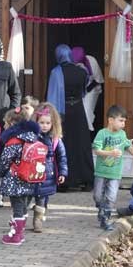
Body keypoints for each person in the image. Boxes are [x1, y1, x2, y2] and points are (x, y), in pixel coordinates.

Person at [47, 44, 93, 190]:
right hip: (79, 110)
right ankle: (86, 180)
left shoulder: (56, 72)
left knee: (64, 145)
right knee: (81, 144)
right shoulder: (81, 71)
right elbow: (84, 90)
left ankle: (64, 182)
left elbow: (52, 96)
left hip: (63, 113)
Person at [0, 107, 43, 245]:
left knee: (17, 205)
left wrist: (0, 172)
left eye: (5, 123)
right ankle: (19, 232)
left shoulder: (14, 141)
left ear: (11, 123)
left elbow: (5, 159)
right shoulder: (33, 138)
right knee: (23, 205)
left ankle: (16, 236)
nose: (4, 126)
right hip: (29, 177)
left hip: (15, 179)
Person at [92, 106, 133, 231]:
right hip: (101, 171)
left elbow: (128, 146)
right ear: (111, 120)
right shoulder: (102, 133)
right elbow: (96, 150)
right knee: (97, 196)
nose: (123, 124)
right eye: (121, 120)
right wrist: (110, 154)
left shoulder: (122, 134)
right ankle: (102, 209)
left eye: (124, 121)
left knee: (111, 197)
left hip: (115, 173)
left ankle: (105, 219)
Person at [29, 103, 68, 233]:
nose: (44, 126)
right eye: (41, 123)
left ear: (53, 124)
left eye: (47, 123)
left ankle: (38, 220)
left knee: (42, 198)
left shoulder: (55, 139)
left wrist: (62, 172)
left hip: (47, 175)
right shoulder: (31, 137)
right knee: (26, 197)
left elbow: (61, 157)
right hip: (31, 173)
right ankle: (19, 219)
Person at [71, 47, 104, 130]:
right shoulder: (70, 63)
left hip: (92, 88)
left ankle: (87, 132)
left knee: (86, 110)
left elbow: (98, 80)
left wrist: (86, 90)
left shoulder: (91, 61)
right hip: (79, 90)